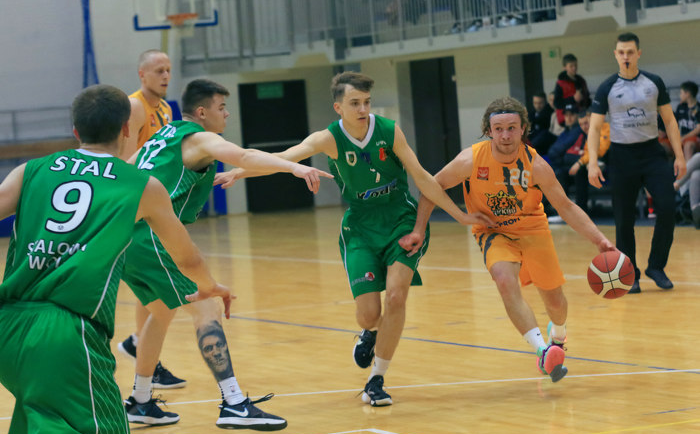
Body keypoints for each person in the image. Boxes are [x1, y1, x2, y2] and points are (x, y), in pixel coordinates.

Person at [215, 71, 492, 406]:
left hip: (400, 220)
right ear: (338, 107)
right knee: (369, 314)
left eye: (366, 102)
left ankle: (376, 379)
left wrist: (460, 215)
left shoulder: (389, 131)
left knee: (396, 297)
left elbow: (422, 177)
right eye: (354, 103)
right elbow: (284, 158)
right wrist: (238, 171)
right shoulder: (328, 138)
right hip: (360, 227)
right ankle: (369, 332)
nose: (362, 109)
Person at [0, 84, 231, 434]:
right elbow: (187, 257)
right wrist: (210, 286)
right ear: (127, 129)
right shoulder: (140, 185)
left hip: (9, 327)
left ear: (75, 130)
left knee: (33, 429)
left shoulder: (31, 170)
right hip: (68, 333)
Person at [122, 78, 332, 429]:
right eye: (221, 107)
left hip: (127, 237)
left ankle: (140, 401)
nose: (227, 114)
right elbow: (245, 155)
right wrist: (296, 168)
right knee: (206, 306)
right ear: (202, 112)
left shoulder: (163, 136)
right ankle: (234, 402)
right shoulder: (198, 138)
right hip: (151, 237)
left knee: (161, 312)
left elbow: (126, 171)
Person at [402, 97, 615, 383]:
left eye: (511, 128)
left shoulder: (536, 165)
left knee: (555, 302)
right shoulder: (470, 160)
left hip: (533, 228)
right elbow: (431, 187)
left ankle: (558, 335)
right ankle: (542, 351)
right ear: (488, 130)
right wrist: (426, 227)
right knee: (504, 280)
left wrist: (599, 240)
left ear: (523, 128)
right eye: (499, 129)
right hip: (493, 231)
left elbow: (565, 207)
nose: (505, 135)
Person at [588, 32, 686, 294]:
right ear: (615, 55)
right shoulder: (607, 87)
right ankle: (630, 274)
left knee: (667, 207)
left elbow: (670, 121)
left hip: (652, 154)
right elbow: (595, 128)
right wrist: (592, 162)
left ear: (638, 53)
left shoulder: (654, 82)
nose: (626, 56)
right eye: (621, 52)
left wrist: (679, 156)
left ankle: (656, 266)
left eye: (630, 52)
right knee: (624, 220)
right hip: (622, 157)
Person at [117, 49, 185, 390]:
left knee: (149, 291)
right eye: (159, 70)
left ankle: (138, 344)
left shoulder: (166, 108)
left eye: (168, 70)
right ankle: (144, 357)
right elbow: (127, 159)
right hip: (135, 203)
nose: (166, 76)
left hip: (152, 201)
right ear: (142, 75)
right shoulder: (135, 106)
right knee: (158, 288)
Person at [553, 53, 590, 126]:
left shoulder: (581, 81)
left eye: (575, 65)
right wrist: (573, 99)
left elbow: (587, 98)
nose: (574, 68)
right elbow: (557, 103)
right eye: (571, 66)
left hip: (581, 116)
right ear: (564, 68)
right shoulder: (560, 83)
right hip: (566, 119)